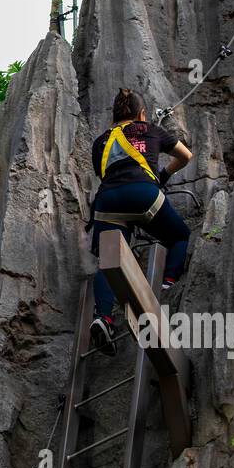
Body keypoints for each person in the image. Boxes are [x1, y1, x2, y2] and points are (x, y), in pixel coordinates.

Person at [87, 88, 193, 355]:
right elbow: (185, 156)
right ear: (142, 113)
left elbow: (102, 173)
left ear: (114, 116)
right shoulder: (151, 129)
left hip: (108, 201)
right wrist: (163, 175)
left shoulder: (100, 141)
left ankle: (103, 317)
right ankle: (168, 283)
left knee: (108, 262)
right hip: (143, 194)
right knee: (179, 235)